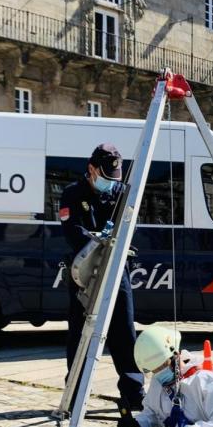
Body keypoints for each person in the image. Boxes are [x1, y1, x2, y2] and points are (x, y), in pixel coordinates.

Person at [60, 143, 144, 412]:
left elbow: (132, 226)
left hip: (117, 270)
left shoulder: (121, 193)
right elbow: (72, 230)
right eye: (106, 177)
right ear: (92, 170)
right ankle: (74, 394)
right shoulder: (72, 194)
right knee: (80, 335)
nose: (111, 183)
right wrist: (98, 240)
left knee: (124, 332)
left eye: (114, 178)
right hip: (84, 273)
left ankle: (133, 393)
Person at [114, 326, 213, 427]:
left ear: (176, 355)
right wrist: (137, 424)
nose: (160, 373)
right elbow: (152, 414)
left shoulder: (204, 381)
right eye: (155, 370)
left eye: (163, 365)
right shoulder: (158, 382)